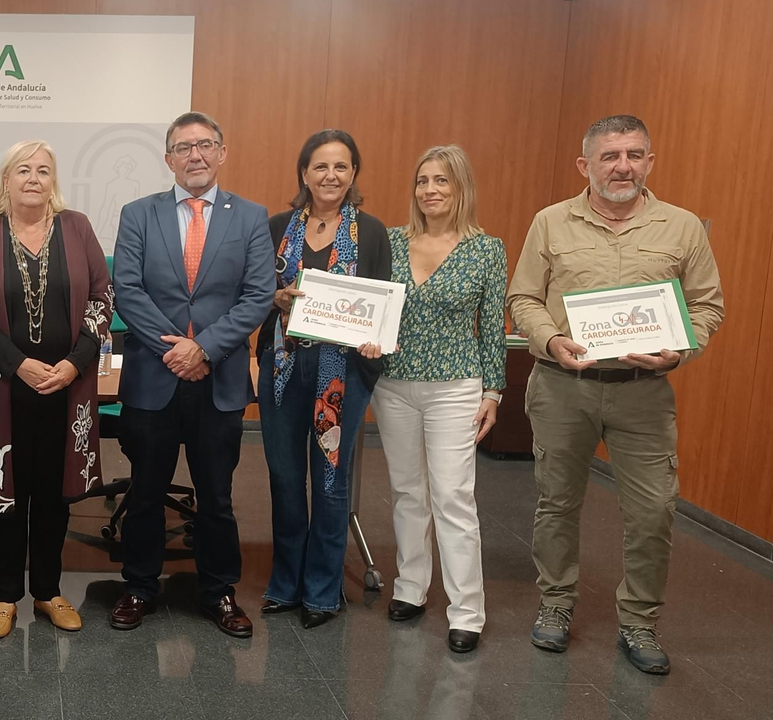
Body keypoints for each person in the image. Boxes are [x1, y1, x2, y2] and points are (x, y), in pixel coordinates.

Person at [506, 115, 724, 675]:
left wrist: (681, 350)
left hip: (643, 394)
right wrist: (550, 339)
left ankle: (640, 622)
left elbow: (706, 306)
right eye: (610, 156)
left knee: (654, 510)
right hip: (563, 388)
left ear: (649, 161)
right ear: (586, 165)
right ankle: (555, 604)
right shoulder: (551, 222)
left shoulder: (681, 227)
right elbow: (523, 298)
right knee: (557, 503)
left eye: (633, 154)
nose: (622, 166)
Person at [109, 111, 274, 637]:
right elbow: (127, 289)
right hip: (153, 379)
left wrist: (203, 349)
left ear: (222, 152)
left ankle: (218, 591)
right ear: (168, 159)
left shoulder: (250, 217)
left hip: (218, 380)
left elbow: (258, 295)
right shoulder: (139, 213)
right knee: (145, 492)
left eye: (204, 145)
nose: (195, 155)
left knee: (217, 496)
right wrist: (177, 351)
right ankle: (139, 586)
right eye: (183, 147)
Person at [0, 140, 113, 639]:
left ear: (53, 181)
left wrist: (73, 364)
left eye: (43, 170)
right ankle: (5, 596)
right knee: (7, 494)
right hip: (4, 390)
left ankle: (47, 591)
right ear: (6, 180)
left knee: (53, 493)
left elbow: (102, 298)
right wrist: (19, 365)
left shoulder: (77, 228)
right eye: (23, 170)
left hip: (67, 388)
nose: (33, 178)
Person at [370, 145, 505, 654]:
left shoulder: (486, 250)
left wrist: (493, 391)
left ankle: (467, 611)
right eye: (423, 180)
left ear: (460, 187)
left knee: (452, 497)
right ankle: (410, 587)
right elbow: (368, 306)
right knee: (407, 491)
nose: (430, 190)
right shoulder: (390, 241)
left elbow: (493, 327)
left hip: (456, 389)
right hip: (393, 384)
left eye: (441, 180)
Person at [258, 129, 391, 629]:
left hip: (342, 373)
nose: (330, 175)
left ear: (353, 173)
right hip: (283, 366)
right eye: (320, 166)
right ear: (304, 173)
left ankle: (322, 590)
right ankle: (285, 584)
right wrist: (273, 298)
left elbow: (382, 301)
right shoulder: (276, 227)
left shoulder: (371, 232)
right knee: (285, 478)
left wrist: (375, 340)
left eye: (340, 166)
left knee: (331, 483)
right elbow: (254, 292)